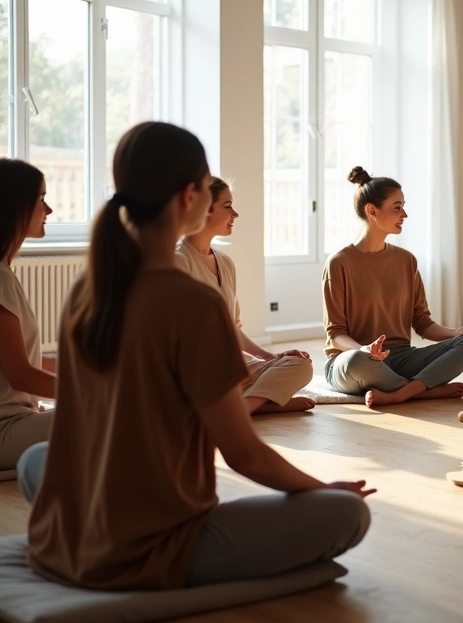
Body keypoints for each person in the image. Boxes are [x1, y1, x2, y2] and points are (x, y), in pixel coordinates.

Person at [19, 122, 373, 590]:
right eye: (210, 189)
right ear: (189, 197)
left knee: (36, 460)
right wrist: (322, 488)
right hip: (146, 546)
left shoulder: (87, 289)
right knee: (346, 513)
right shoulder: (191, 301)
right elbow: (243, 453)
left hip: (60, 536)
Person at [322, 167, 463, 407]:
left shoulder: (406, 260)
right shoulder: (339, 262)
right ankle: (422, 389)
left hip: (400, 357)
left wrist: (456, 334)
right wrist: (365, 350)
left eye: (403, 206)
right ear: (372, 211)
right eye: (397, 207)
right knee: (356, 361)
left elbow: (422, 323)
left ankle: (400, 392)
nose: (404, 214)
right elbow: (335, 334)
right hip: (352, 360)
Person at [177, 177, 315, 414]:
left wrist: (271, 356)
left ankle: (250, 405)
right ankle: (256, 403)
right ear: (205, 210)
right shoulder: (179, 261)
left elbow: (233, 327)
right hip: (198, 369)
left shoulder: (226, 263)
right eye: (228, 206)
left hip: (231, 366)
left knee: (301, 365)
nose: (236, 214)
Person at [0, 158, 55, 478]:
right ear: (14, 207)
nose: (48, 210)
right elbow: (21, 375)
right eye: (40, 200)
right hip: (6, 428)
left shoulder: (6, 273)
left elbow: (27, 361)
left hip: (16, 418)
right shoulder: (1, 278)